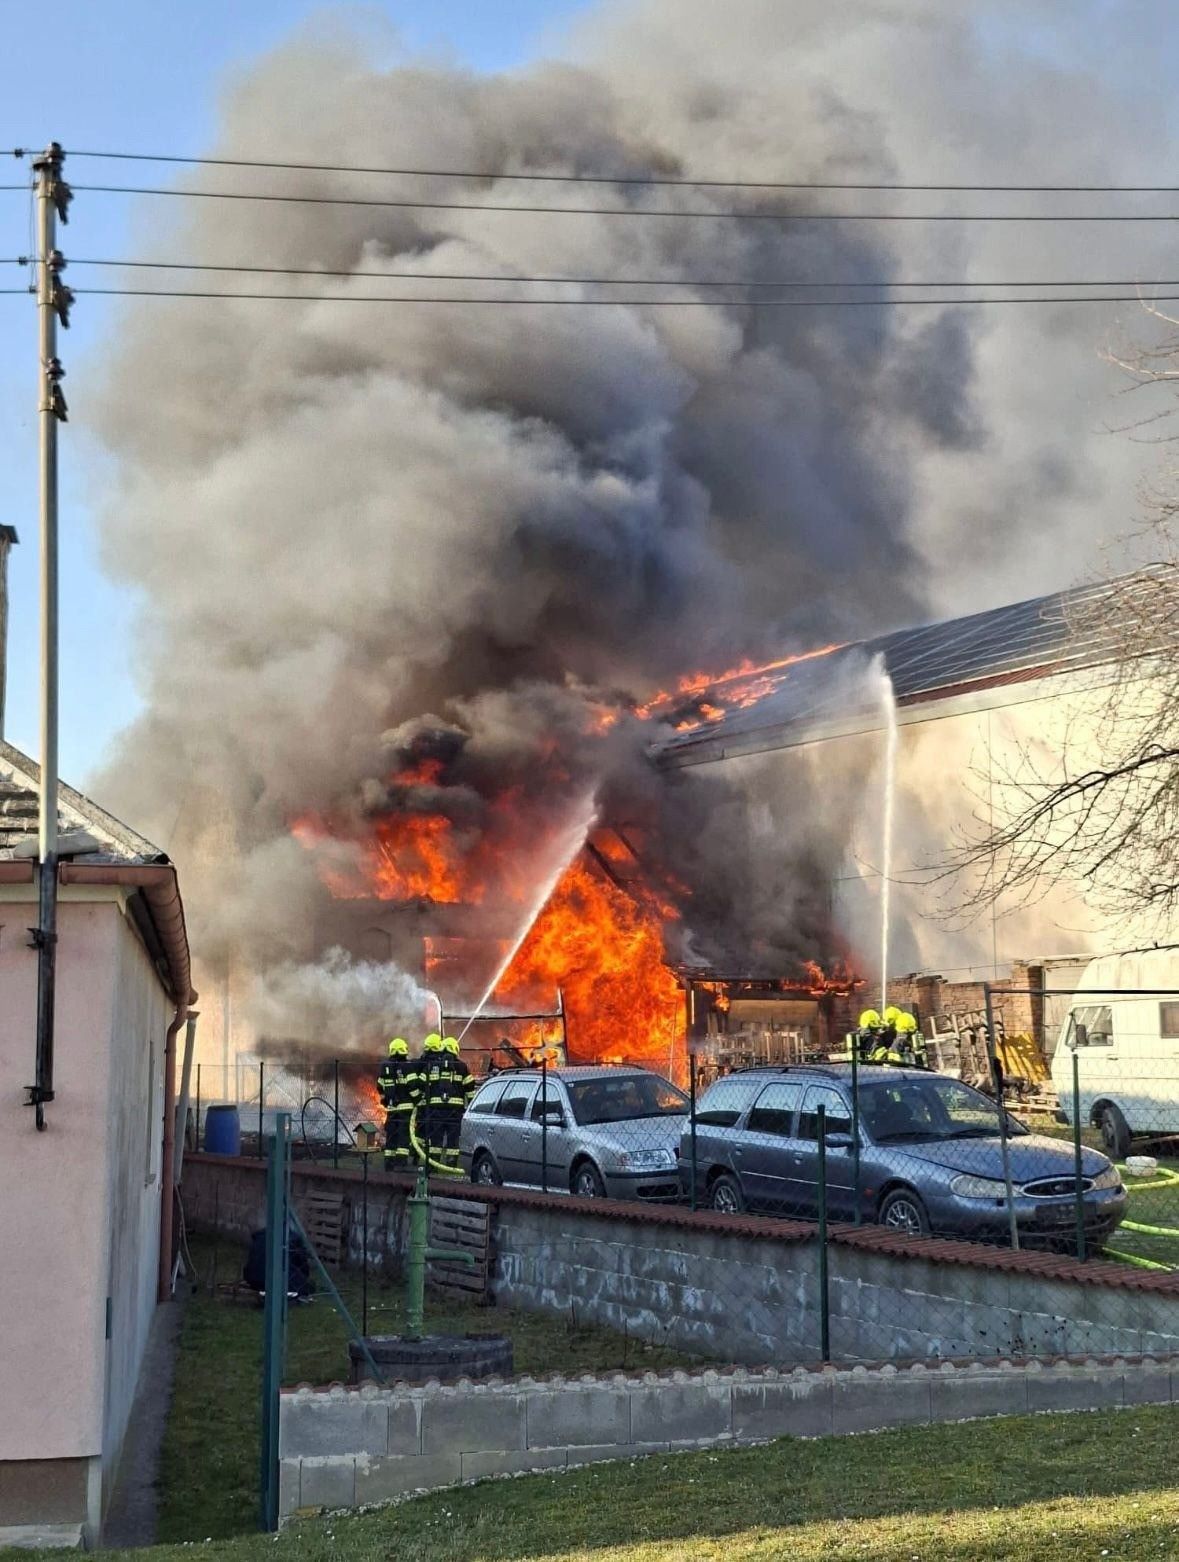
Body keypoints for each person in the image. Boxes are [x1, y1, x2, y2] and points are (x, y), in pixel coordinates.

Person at [420, 1033, 477, 1175]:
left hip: (435, 1110)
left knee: (435, 1139)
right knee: (453, 1139)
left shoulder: (432, 1065)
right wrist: (470, 1107)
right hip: (455, 1112)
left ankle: (433, 1165)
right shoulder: (462, 1067)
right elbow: (470, 1089)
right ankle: (451, 1164)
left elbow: (421, 1083)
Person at [377, 1036, 421, 1170]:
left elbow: (379, 1086)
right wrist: (418, 1099)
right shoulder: (407, 1066)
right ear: (404, 1050)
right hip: (406, 1109)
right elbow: (413, 1086)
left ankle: (389, 1163)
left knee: (391, 1136)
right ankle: (401, 1164)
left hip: (391, 1109)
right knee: (403, 1136)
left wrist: (385, 1099)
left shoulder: (385, 1067)